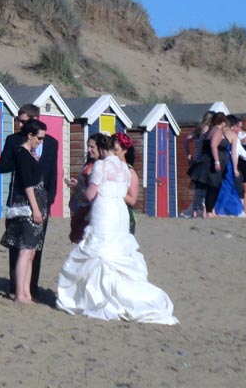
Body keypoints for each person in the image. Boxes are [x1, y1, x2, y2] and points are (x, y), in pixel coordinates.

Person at [56, 134, 178, 324]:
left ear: (103, 149)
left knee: (100, 251)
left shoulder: (100, 166)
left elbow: (89, 196)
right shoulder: (124, 168)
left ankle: (97, 298)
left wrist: (79, 186)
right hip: (120, 213)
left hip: (103, 210)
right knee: (117, 251)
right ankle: (114, 295)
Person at [0, 103, 58, 298]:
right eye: (19, 121)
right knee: (17, 245)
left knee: (35, 247)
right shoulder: (14, 141)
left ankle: (31, 288)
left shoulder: (51, 142)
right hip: (20, 199)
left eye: (24, 121)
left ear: (35, 119)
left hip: (42, 199)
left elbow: (52, 173)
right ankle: (16, 287)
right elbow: (2, 167)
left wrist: (50, 199)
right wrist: (20, 157)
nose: (20, 125)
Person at [188, 112, 229, 217]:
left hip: (204, 161)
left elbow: (203, 145)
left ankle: (201, 211)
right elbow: (213, 145)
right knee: (213, 186)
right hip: (211, 163)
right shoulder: (217, 131)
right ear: (223, 122)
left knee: (203, 187)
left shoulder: (209, 131)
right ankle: (209, 212)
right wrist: (217, 161)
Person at [180, 111, 212, 218]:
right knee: (206, 188)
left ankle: (194, 211)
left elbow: (186, 141)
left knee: (198, 188)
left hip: (196, 161)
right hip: (205, 161)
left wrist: (189, 154)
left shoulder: (198, 129)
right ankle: (203, 211)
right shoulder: (209, 130)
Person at [66, 135, 98, 243]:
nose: (89, 150)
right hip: (81, 207)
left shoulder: (101, 167)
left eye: (92, 147)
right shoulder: (88, 164)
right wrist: (76, 186)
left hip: (92, 209)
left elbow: (93, 194)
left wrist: (79, 187)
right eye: (88, 146)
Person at [214, 116, 245, 217]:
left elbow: (234, 153)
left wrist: (235, 168)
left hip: (228, 163)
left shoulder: (232, 135)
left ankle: (229, 209)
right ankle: (220, 209)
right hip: (219, 161)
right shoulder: (217, 133)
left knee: (229, 186)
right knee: (221, 186)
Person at [113, 132, 139, 233]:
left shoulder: (130, 172)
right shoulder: (108, 168)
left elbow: (132, 200)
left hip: (125, 217)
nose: (113, 153)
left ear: (124, 150)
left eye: (116, 150)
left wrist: (112, 189)